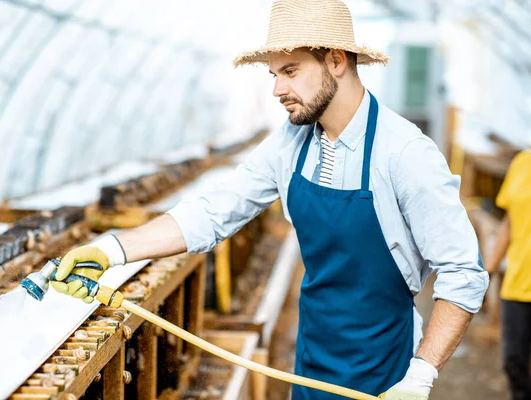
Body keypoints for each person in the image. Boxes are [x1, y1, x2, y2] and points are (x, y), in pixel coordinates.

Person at [52, 1, 489, 398]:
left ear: (336, 60)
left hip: (384, 368)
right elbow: (213, 212)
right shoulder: (293, 141)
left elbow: (463, 274)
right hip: (313, 355)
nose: (277, 89)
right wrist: (112, 249)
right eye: (274, 74)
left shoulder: (404, 153)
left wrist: (419, 378)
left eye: (291, 71)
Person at [486, 150, 531, 400]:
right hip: (517, 286)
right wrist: (490, 269)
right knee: (514, 362)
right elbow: (509, 222)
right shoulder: (522, 162)